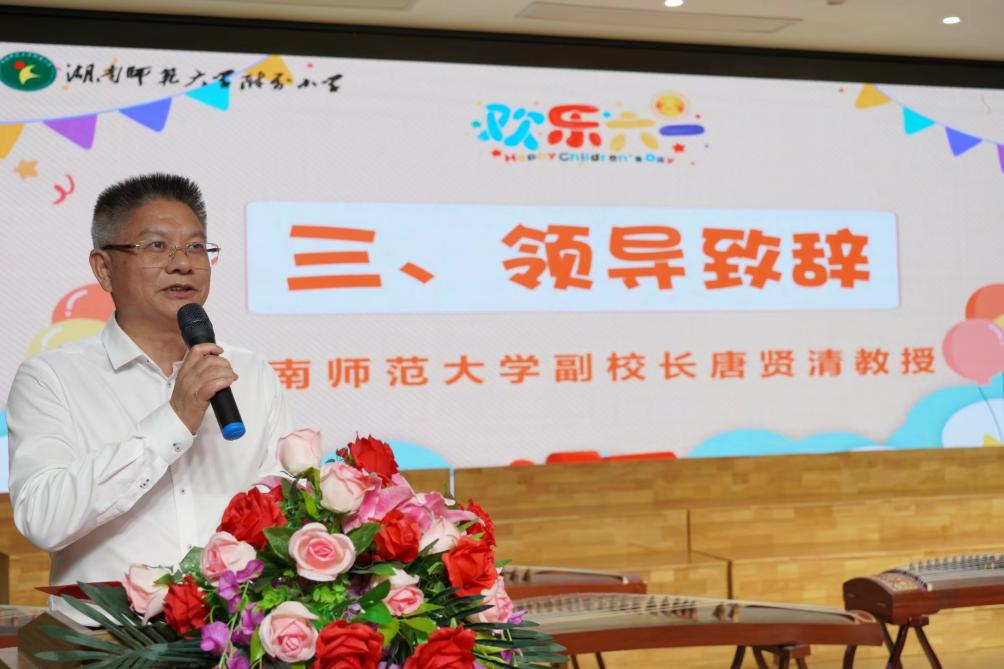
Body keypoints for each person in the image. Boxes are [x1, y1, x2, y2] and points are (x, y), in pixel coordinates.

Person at [6, 173, 292, 619]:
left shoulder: (252, 374)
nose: (183, 264)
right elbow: (43, 518)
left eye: (196, 247)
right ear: (104, 268)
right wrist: (174, 420)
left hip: (231, 636)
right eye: (157, 246)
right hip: (109, 641)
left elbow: (284, 508)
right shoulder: (51, 379)